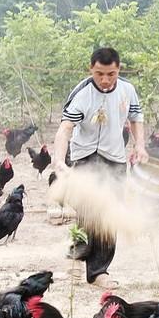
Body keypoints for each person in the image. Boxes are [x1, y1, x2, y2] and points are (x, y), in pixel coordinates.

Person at [53, 47, 147, 287]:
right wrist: (58, 161)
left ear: (119, 69)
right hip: (85, 157)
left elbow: (135, 119)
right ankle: (77, 257)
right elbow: (65, 129)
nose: (105, 80)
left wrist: (140, 146)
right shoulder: (82, 94)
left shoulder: (128, 91)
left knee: (110, 214)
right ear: (91, 69)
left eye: (111, 74)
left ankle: (98, 272)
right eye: (99, 74)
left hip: (115, 158)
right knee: (88, 210)